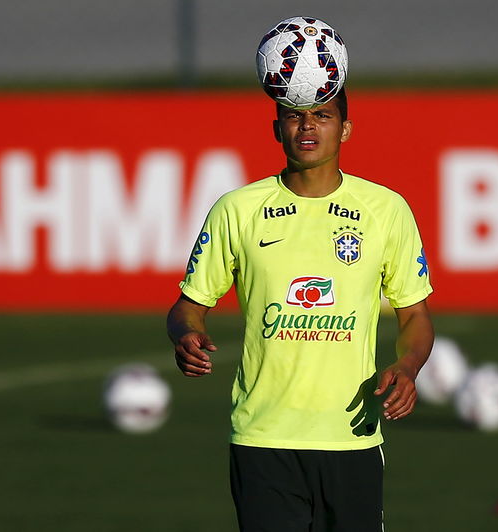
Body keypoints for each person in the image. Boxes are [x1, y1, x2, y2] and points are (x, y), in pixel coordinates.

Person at [166, 88, 434, 532]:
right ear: (277, 129)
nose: (307, 125)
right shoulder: (238, 210)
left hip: (351, 437)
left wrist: (408, 366)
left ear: (345, 129)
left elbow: (415, 316)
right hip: (263, 439)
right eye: (294, 116)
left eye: (323, 115)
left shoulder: (386, 210)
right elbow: (188, 306)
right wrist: (186, 333)